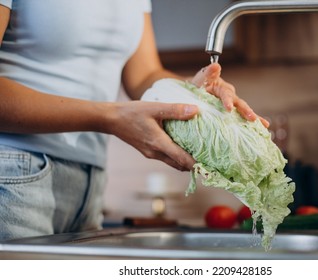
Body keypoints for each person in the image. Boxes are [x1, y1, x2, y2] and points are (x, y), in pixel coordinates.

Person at [0, 0, 268, 241]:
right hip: (12, 172)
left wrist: (193, 94)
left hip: (89, 178)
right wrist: (110, 116)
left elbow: (144, 75)